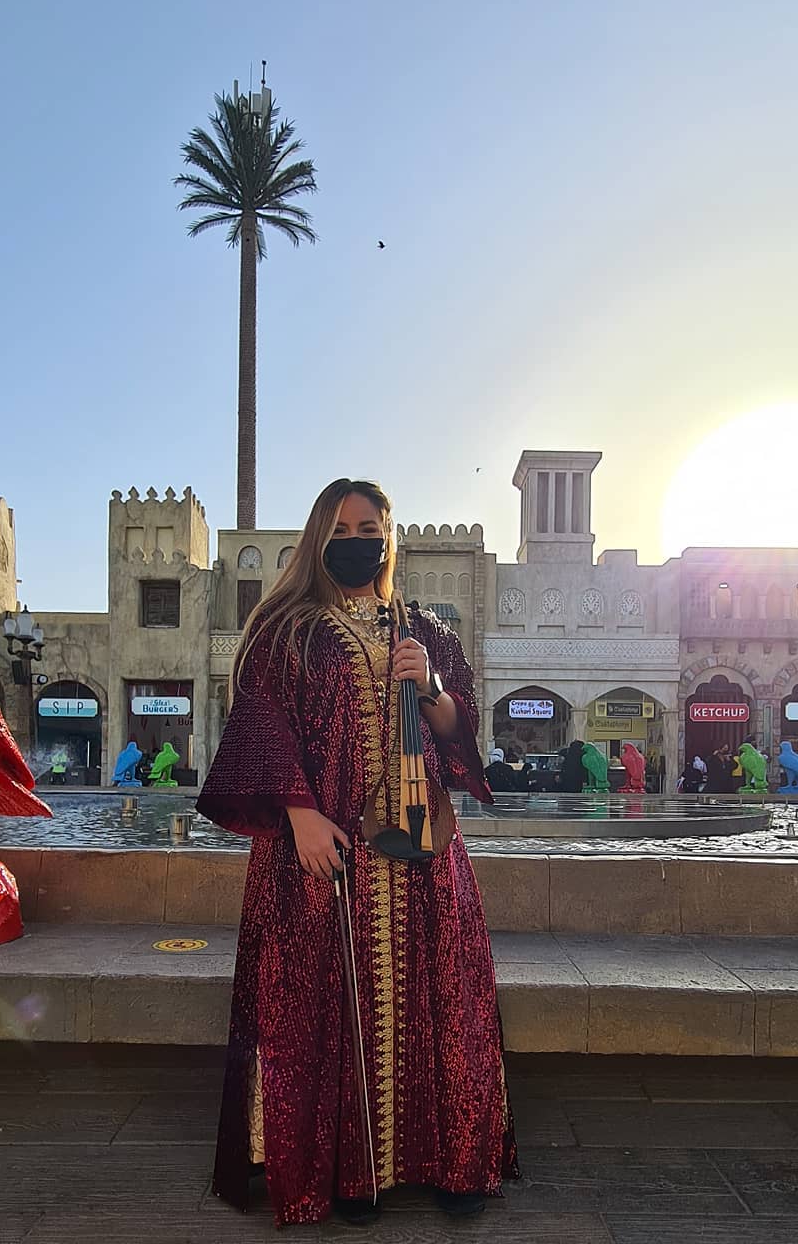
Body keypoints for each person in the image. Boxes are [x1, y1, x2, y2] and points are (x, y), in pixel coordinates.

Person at [197, 478, 516, 1226]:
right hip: (327, 848)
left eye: (368, 529)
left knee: (441, 996)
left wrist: (430, 686)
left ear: (387, 538)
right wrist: (299, 812)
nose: (355, 541)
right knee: (331, 1001)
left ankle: (451, 1160)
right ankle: (348, 1172)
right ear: (319, 538)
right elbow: (261, 722)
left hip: (421, 853)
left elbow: (459, 730)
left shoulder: (423, 629)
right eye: (340, 530)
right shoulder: (287, 630)